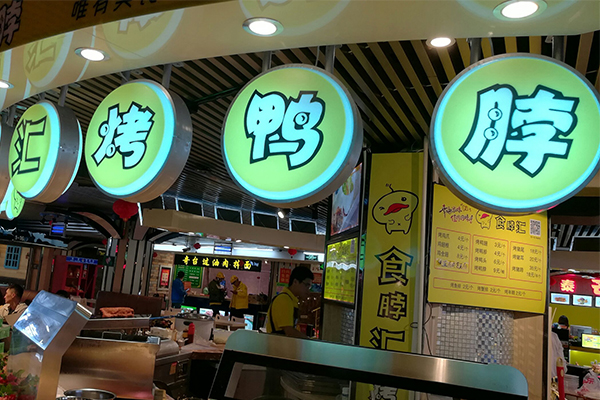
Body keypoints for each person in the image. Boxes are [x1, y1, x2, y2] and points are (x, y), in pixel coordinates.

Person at [266, 266, 314, 337]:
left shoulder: (291, 299)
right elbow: (289, 331)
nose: (308, 290)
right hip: (277, 343)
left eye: (309, 287)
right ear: (295, 282)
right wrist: (307, 341)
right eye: (307, 285)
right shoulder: (284, 299)